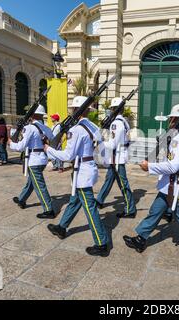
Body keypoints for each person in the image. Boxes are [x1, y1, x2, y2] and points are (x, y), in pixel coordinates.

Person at [123, 104, 179, 270]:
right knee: (154, 212)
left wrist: (150, 167)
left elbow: (173, 166)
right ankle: (141, 238)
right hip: (168, 186)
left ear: (177, 119)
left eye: (172, 118)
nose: (170, 120)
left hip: (178, 189)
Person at [44, 96, 110, 257]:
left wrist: (48, 149)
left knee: (90, 208)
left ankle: (101, 243)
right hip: (89, 168)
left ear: (75, 110)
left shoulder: (76, 130)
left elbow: (68, 155)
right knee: (75, 200)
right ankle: (62, 226)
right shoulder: (93, 126)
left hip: (82, 172)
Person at [9, 105, 55, 219]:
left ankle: (49, 210)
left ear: (32, 115)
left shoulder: (29, 128)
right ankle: (22, 199)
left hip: (34, 160)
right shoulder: (47, 128)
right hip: (43, 159)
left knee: (40, 186)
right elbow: (53, 140)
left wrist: (11, 143)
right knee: (32, 181)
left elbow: (21, 146)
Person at [96, 97, 137, 218]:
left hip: (117, 158)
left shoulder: (116, 123)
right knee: (109, 179)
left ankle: (130, 209)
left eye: (111, 109)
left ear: (114, 109)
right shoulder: (124, 121)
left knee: (123, 184)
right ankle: (99, 200)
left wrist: (100, 142)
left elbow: (112, 144)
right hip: (117, 156)